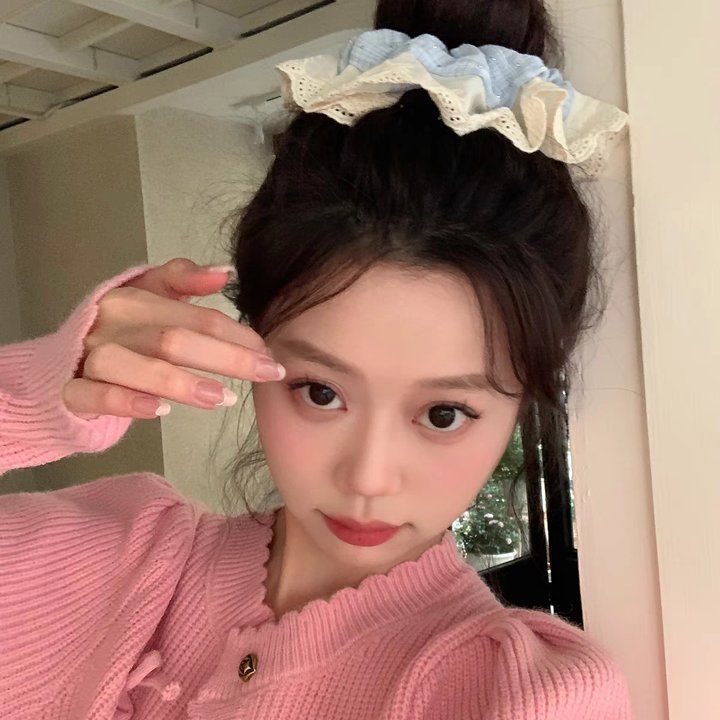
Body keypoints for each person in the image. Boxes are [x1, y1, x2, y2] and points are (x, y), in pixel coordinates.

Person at [0, 0, 633, 718]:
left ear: (523, 402)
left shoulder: (511, 692)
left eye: (444, 413)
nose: (367, 477)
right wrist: (32, 399)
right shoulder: (120, 557)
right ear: (253, 337)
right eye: (321, 392)